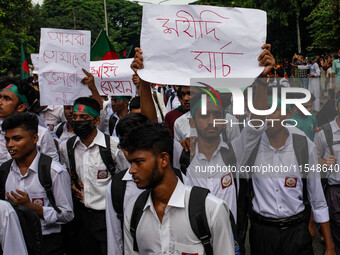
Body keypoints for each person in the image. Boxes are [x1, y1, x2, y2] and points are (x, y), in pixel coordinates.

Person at [120, 120, 235, 255]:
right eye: (130, 163)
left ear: (163, 159)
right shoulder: (133, 213)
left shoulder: (211, 210)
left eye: (138, 162)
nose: (132, 170)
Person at [248, 88, 335, 255]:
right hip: (263, 234)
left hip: (296, 231)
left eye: (274, 111)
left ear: (288, 114)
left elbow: (317, 197)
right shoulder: (251, 145)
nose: (269, 117)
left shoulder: (302, 145)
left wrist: (329, 246)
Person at [106, 113, 189, 255]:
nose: (133, 170)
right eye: (126, 145)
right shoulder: (117, 188)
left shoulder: (182, 181)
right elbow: (116, 239)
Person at [59, 95, 129, 255]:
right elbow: (68, 172)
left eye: (84, 117)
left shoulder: (112, 147)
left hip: (107, 218)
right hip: (81, 218)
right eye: (75, 117)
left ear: (96, 121)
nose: (78, 121)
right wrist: (71, 183)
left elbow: (126, 178)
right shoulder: (66, 147)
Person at [2, 112, 73, 255]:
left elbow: (67, 214)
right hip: (15, 242)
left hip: (48, 243)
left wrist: (32, 207)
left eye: (17, 139)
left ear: (35, 138)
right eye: (7, 140)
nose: (10, 145)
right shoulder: (4, 171)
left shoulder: (54, 171)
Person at [0, 77, 58, 164]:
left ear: (21, 107)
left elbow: (52, 167)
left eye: (7, 99)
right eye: (0, 97)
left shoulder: (41, 134)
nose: (0, 102)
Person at [314, 92, 340, 254]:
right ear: (337, 106)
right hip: (335, 191)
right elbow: (313, 159)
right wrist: (323, 162)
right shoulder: (324, 132)